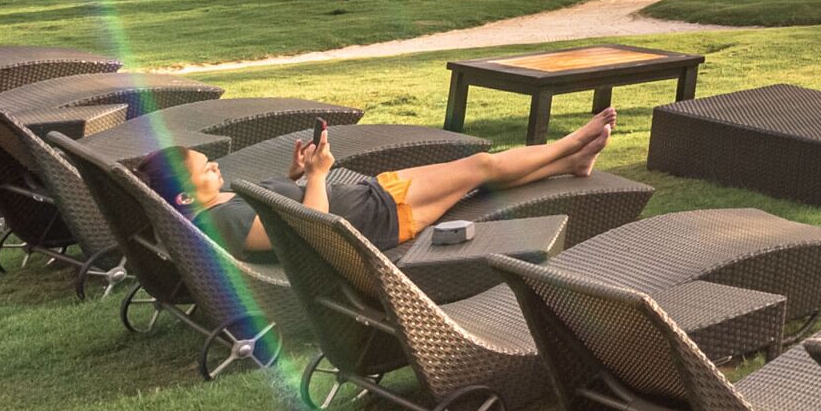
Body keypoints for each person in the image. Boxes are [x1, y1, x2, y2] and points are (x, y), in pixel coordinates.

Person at [173, 109, 618, 255]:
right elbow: (313, 230)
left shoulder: (216, 205)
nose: (215, 166)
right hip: (379, 218)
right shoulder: (225, 223)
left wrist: (295, 175)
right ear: (182, 194)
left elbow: (282, 208)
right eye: (205, 168)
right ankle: (568, 144)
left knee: (474, 179)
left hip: (372, 198)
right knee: (481, 166)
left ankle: (568, 165)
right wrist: (318, 175)